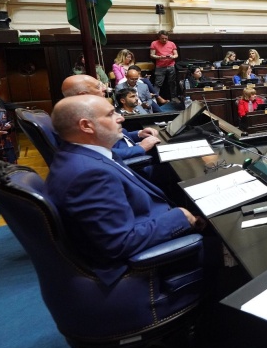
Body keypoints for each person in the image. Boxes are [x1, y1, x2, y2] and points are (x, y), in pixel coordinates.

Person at [45, 95, 201, 286]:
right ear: (86, 126)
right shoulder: (89, 174)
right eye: (111, 114)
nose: (120, 118)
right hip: (144, 268)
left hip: (147, 221)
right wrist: (181, 216)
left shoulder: (87, 154)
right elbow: (119, 243)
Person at [149, 31, 178, 103]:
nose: (164, 40)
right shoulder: (154, 43)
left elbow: (176, 55)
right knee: (158, 83)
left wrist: (172, 56)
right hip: (160, 66)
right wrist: (159, 57)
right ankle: (155, 98)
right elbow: (152, 55)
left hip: (171, 65)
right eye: (162, 38)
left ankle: (174, 97)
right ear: (159, 37)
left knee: (172, 83)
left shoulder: (172, 43)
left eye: (166, 38)